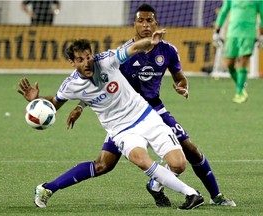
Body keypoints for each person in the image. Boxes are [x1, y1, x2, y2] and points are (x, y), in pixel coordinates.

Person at [57, 4, 235, 208]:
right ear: (134, 24)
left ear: (156, 23)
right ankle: (50, 187)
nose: (145, 24)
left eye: (149, 20)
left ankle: (215, 195)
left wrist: (182, 87)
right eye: (140, 20)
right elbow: (101, 84)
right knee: (104, 164)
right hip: (124, 115)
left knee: (190, 150)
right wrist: (81, 106)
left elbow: (180, 77)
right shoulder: (124, 54)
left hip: (154, 110)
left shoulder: (168, 50)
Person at [18, 30, 205, 210]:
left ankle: (155, 185)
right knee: (140, 160)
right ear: (71, 62)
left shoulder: (106, 60)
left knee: (179, 164)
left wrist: (151, 42)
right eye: (80, 60)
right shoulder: (71, 85)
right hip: (121, 130)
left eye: (88, 57)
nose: (87, 63)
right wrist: (37, 100)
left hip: (146, 115)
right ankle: (191, 194)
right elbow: (54, 105)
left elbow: (132, 48)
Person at [213, 0, 263, 103]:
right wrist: (216, 31)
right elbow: (223, 11)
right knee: (228, 64)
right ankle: (241, 85)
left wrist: (261, 35)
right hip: (232, 34)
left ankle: (239, 93)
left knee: (243, 62)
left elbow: (262, 15)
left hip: (248, 34)